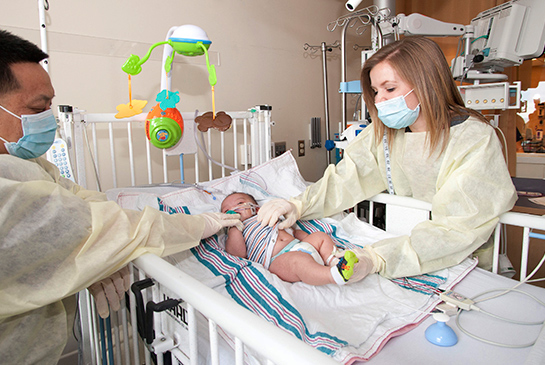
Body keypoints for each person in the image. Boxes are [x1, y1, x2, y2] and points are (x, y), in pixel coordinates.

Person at [0, 29, 242, 365]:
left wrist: (100, 252)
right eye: (39, 107)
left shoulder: (25, 163)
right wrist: (204, 221)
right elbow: (115, 226)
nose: (49, 117)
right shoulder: (7, 191)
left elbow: (82, 201)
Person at [257, 36, 517, 281]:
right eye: (375, 91)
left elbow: (456, 229)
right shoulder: (383, 134)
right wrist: (298, 205)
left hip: (459, 262)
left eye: (389, 89)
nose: (380, 100)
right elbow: (348, 178)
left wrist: (378, 258)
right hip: (401, 250)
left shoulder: (474, 140)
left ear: (427, 84)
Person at [221, 192, 359, 285]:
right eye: (227, 211)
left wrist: (309, 241)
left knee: (320, 237)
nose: (233, 209)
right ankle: (333, 275)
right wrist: (233, 228)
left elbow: (291, 231)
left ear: (256, 209)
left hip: (298, 245)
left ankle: (333, 260)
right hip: (277, 260)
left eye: (239, 203)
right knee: (298, 262)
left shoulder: (267, 215)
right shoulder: (238, 229)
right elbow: (237, 254)